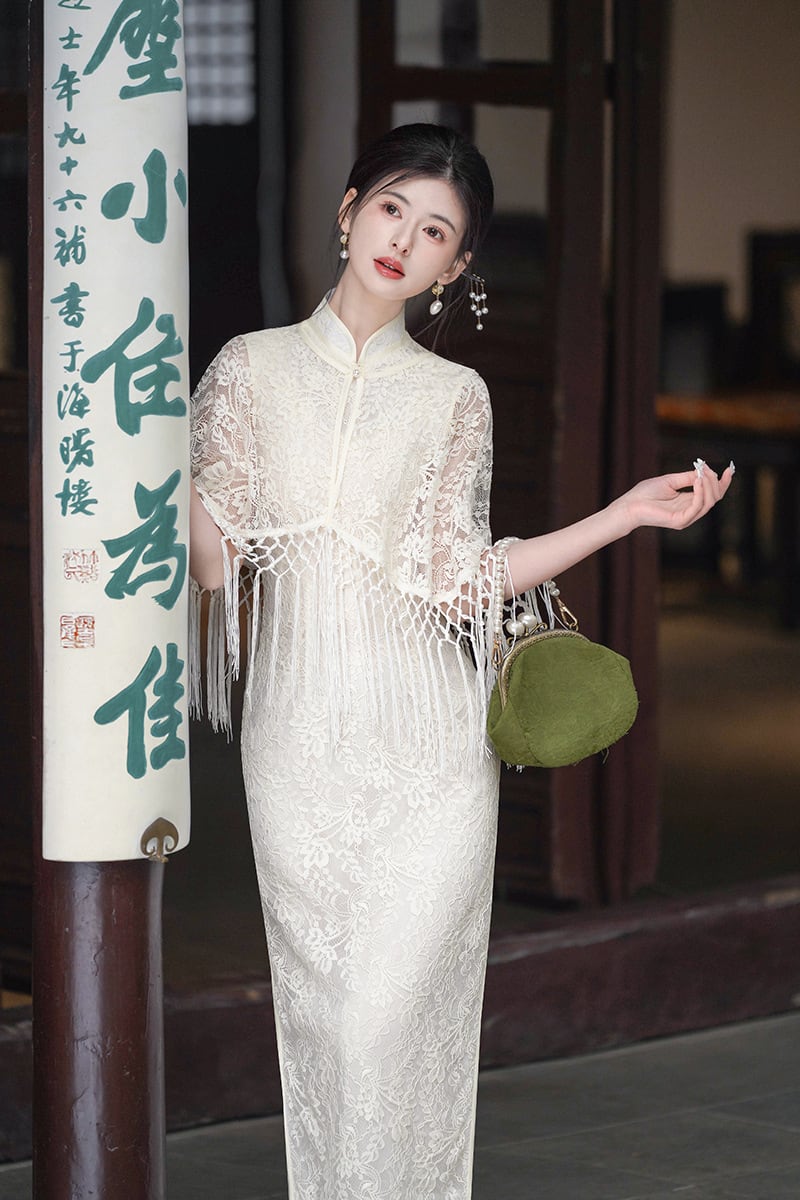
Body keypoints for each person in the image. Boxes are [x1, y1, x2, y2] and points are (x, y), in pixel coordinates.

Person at [188, 123, 733, 1200]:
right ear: (348, 211)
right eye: (391, 208)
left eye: (435, 231)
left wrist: (622, 514)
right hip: (297, 743)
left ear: (455, 265)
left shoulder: (453, 398)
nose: (403, 239)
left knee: (393, 1022)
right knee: (333, 1025)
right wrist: (154, 462)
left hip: (430, 756)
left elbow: (462, 580)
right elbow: (215, 563)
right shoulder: (249, 369)